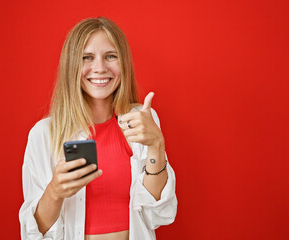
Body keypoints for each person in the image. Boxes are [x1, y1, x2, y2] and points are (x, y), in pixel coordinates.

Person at [19, 17, 177, 240]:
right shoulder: (43, 134)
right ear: (71, 65)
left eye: (111, 56)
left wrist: (156, 147)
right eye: (87, 58)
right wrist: (54, 192)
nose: (100, 68)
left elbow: (157, 215)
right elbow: (34, 235)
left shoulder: (142, 120)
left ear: (124, 63)